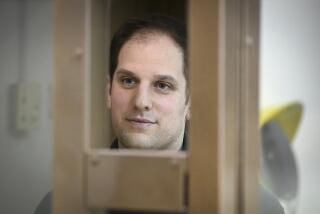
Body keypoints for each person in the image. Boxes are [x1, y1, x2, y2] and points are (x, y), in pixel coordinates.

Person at [107, 14, 190, 151]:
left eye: (162, 85)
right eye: (128, 81)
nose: (141, 102)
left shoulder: (223, 173)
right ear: (108, 91)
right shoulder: (73, 172)